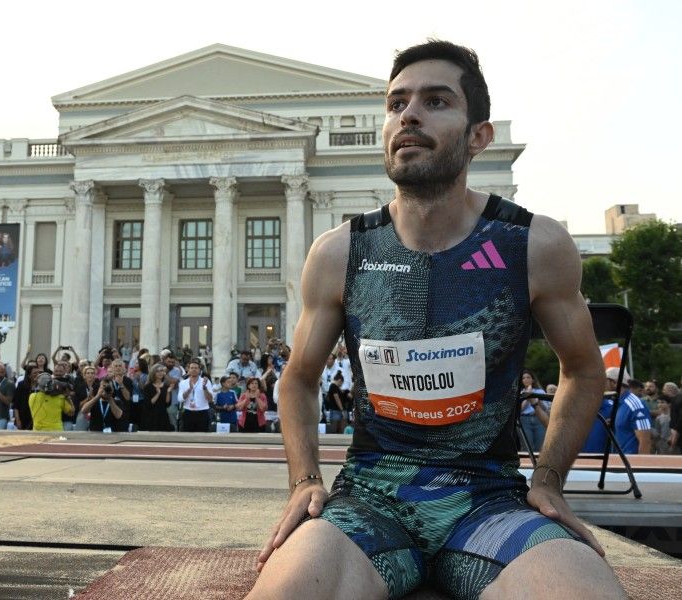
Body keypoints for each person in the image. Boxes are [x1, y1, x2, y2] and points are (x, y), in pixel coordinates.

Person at [249, 41, 625, 600]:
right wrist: (304, 480)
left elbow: (583, 368)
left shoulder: (533, 244)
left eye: (436, 101)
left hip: (489, 504)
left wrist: (548, 480)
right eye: (396, 103)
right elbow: (299, 377)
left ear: (479, 135)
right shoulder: (338, 253)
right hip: (369, 504)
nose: (409, 115)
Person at [178, 360, 213, 433]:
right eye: (192, 368)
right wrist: (189, 389)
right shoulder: (183, 383)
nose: (194, 369)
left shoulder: (206, 381)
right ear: (188, 369)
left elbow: (210, 399)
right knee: (187, 437)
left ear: (199, 370)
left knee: (203, 436)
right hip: (188, 412)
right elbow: (180, 399)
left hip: (202, 412)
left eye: (196, 368)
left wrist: (204, 388)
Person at [518, 368, 548, 452]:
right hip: (525, 420)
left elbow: (545, 408)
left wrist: (538, 400)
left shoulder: (540, 391)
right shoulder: (520, 392)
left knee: (540, 445)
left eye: (528, 377)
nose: (526, 379)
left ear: (533, 380)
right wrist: (528, 396)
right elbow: (520, 410)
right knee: (527, 446)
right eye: (524, 378)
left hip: (539, 419)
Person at [140, 364, 174, 432]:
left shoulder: (166, 386)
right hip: (151, 416)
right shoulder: (148, 387)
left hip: (163, 416)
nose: (160, 373)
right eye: (157, 371)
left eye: (161, 371)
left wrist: (168, 392)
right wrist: (158, 394)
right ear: (153, 373)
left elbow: (167, 404)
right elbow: (148, 403)